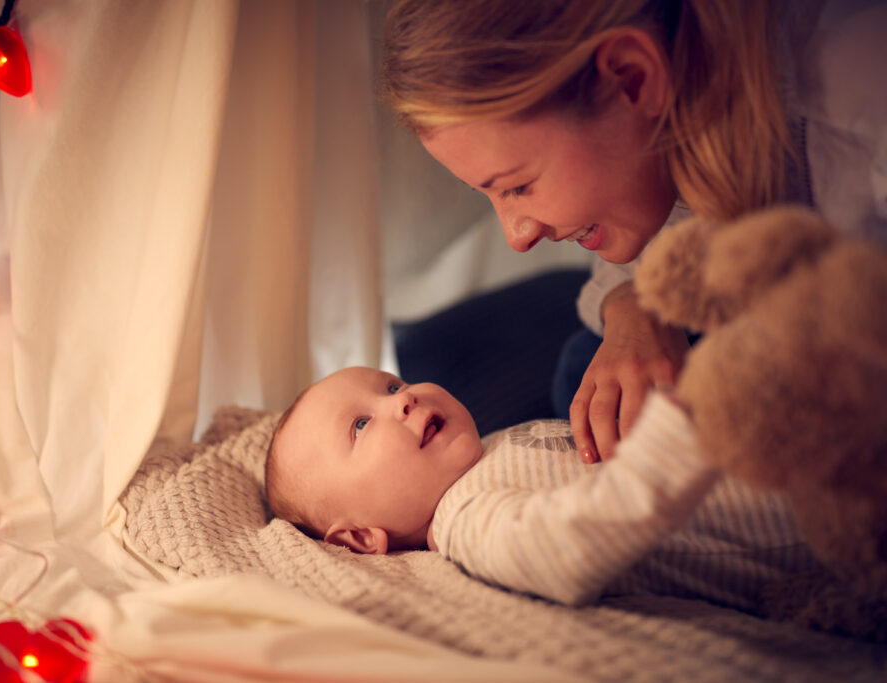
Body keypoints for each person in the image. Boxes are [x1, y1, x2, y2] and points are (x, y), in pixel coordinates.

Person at [377, 0, 887, 464]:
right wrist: (634, 308)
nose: (517, 235)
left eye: (518, 186)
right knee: (595, 380)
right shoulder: (679, 120)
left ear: (632, 78)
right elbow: (665, 235)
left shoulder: (857, 74)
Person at [265, 366, 822, 611]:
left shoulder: (494, 445)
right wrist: (660, 461)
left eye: (391, 384)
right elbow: (561, 552)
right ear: (362, 538)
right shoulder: (464, 522)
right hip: (789, 525)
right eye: (361, 426)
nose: (401, 400)